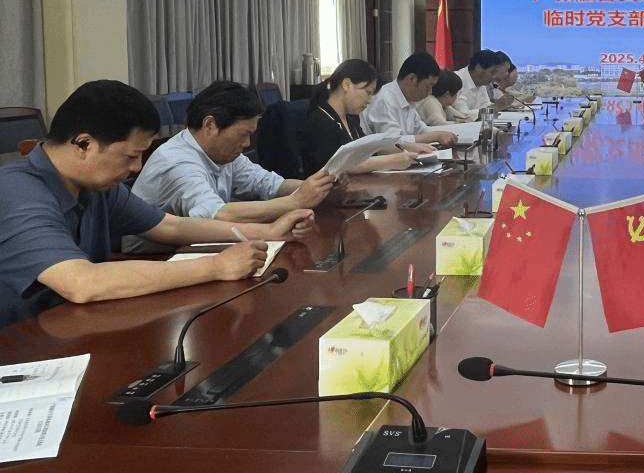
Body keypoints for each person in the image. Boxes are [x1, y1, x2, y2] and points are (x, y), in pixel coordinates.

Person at [0, 81, 313, 328]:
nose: (137, 167)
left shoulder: (96, 187)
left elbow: (169, 226)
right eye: (131, 155)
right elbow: (82, 283)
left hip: (77, 325)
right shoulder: (18, 191)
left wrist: (267, 231)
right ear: (84, 144)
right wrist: (216, 266)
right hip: (21, 344)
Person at [130, 81, 334, 229]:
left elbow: (267, 184)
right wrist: (295, 202)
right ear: (210, 125)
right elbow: (216, 215)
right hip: (150, 258)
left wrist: (321, 186)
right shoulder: (178, 162)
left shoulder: (222, 154)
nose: (247, 144)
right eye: (243, 134)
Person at [299, 60, 423, 175]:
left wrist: (404, 146)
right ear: (346, 84)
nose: (369, 101)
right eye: (368, 92)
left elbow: (366, 150)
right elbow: (338, 166)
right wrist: (391, 161)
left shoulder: (351, 118)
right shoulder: (320, 120)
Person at [359, 51, 458, 146]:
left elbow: (421, 130)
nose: (430, 92)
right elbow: (391, 143)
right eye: (428, 86)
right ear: (412, 78)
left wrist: (445, 133)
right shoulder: (385, 100)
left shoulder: (408, 99)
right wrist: (434, 136)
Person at [450, 49, 512, 121]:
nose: (494, 77)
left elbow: (485, 106)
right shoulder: (456, 80)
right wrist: (495, 107)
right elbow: (462, 115)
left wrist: (501, 105)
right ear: (479, 69)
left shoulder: (481, 83)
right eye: (492, 72)